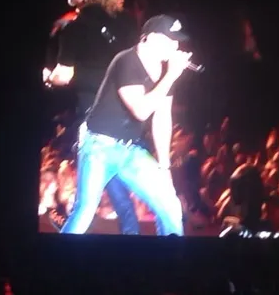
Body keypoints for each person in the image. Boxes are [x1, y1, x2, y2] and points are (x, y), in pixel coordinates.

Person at [61, 15, 191, 235]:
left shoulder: (165, 72)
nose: (175, 47)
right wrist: (171, 75)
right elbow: (141, 110)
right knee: (84, 211)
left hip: (130, 150)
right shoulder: (126, 61)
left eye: (177, 42)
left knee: (170, 205)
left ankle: (171, 255)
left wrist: (164, 166)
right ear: (151, 38)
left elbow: (161, 118)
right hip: (99, 147)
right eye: (170, 40)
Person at [45, 0, 139, 234]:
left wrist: (49, 77)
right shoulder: (127, 22)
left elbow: (63, 75)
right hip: (127, 115)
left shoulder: (75, 28)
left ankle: (67, 239)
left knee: (86, 203)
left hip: (94, 118)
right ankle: (132, 239)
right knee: (117, 188)